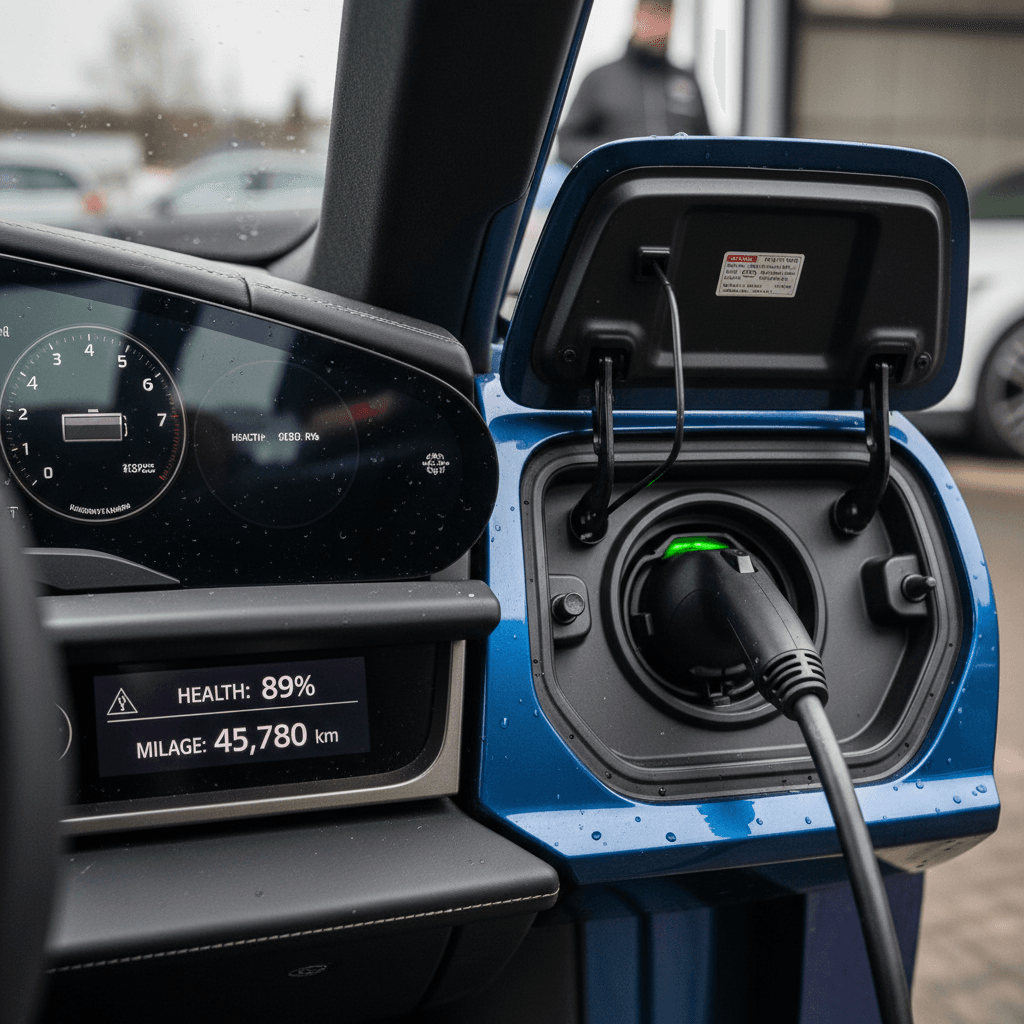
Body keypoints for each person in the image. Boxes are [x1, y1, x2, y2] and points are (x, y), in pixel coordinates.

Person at [557, 0, 711, 167]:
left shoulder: (687, 81)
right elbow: (567, 143)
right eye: (652, 13)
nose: (658, 24)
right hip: (617, 184)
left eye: (664, 14)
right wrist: (617, 154)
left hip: (678, 184)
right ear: (638, 16)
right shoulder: (600, 78)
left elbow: (710, 145)